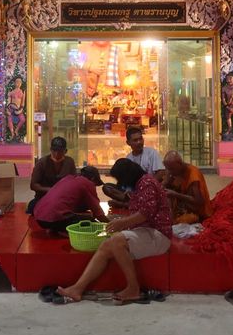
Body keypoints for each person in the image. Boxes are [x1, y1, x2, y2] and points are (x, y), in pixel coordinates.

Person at [56, 159, 172, 304]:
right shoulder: (140, 184)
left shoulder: (147, 183)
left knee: (117, 240)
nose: (120, 184)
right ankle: (77, 289)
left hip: (158, 235)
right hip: (146, 232)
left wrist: (121, 223)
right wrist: (121, 223)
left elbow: (145, 214)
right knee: (106, 245)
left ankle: (133, 289)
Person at [33, 166, 107, 235]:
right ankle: (62, 231)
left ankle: (56, 228)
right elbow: (98, 213)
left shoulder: (67, 179)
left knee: (82, 216)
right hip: (54, 218)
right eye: (95, 184)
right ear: (93, 179)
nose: (94, 187)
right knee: (90, 222)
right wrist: (110, 224)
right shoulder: (87, 183)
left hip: (39, 218)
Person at [102, 127, 165, 206]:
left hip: (148, 189)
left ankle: (126, 204)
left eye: (140, 139)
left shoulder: (152, 153)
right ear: (128, 143)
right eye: (135, 140)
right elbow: (126, 180)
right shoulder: (128, 158)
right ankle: (130, 202)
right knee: (107, 187)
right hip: (133, 191)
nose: (139, 142)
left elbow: (161, 172)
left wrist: (146, 186)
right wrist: (128, 190)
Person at [27, 136, 77, 214]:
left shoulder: (69, 162)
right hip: (44, 197)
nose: (56, 154)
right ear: (50, 150)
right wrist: (52, 190)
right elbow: (33, 185)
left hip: (63, 198)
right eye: (54, 151)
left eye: (60, 151)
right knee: (32, 206)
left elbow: (74, 182)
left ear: (65, 151)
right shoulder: (42, 162)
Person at [162, 151, 212, 223]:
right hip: (180, 209)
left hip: (196, 212)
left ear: (180, 164)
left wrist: (176, 194)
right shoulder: (173, 172)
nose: (170, 172)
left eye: (171, 169)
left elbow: (199, 201)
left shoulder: (193, 174)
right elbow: (163, 189)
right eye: (167, 169)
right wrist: (165, 182)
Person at [221, 72, 233, 140]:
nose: (229, 80)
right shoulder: (224, 88)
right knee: (228, 114)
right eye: (227, 78)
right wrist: (227, 106)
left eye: (230, 78)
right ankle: (230, 129)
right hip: (228, 105)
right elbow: (223, 99)